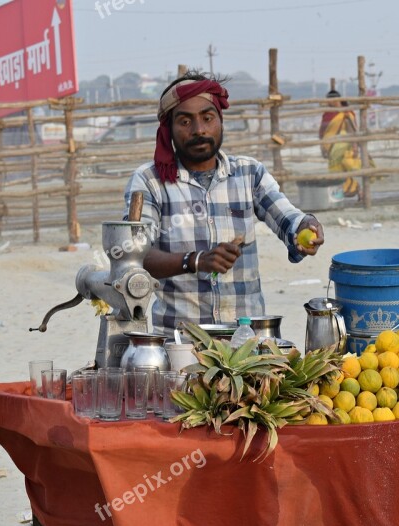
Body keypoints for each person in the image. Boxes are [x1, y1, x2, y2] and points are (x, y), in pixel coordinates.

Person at [123, 71, 324, 337]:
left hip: (247, 341)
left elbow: (287, 216)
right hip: (180, 341)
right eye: (185, 121)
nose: (199, 130)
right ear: (168, 128)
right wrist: (194, 261)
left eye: (208, 118)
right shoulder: (149, 182)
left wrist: (305, 226)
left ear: (220, 120)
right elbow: (135, 255)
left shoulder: (249, 173)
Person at [318, 89, 372, 200]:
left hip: (343, 147)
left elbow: (351, 130)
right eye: (328, 100)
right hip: (330, 149)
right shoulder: (327, 114)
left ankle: (357, 190)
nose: (330, 103)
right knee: (336, 173)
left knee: (343, 172)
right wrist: (323, 147)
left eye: (332, 100)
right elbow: (323, 133)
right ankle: (347, 194)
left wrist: (354, 145)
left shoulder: (346, 113)